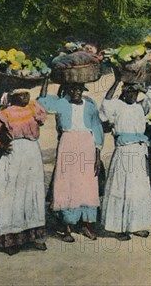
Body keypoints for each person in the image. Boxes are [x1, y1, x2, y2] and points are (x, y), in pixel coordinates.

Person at [0, 88, 48, 255]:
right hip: (13, 153)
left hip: (32, 153)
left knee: (31, 194)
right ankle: (9, 240)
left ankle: (33, 236)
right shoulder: (4, 113)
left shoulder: (33, 108)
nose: (25, 97)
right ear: (13, 97)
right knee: (11, 194)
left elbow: (42, 117)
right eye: (21, 94)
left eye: (27, 94)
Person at [38, 81, 103, 242]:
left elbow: (97, 128)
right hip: (68, 144)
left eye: (79, 89)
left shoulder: (90, 105)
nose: (76, 92)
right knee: (66, 183)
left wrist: (98, 155)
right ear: (67, 90)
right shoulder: (61, 103)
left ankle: (85, 224)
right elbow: (42, 101)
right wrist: (45, 80)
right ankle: (66, 227)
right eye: (73, 89)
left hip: (87, 145)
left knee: (87, 184)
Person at [99, 71, 151, 241]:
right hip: (123, 153)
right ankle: (119, 227)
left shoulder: (139, 107)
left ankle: (136, 225)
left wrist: (143, 83)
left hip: (139, 152)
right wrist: (116, 81)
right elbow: (106, 103)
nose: (132, 95)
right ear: (123, 91)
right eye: (129, 91)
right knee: (122, 187)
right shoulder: (117, 106)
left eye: (135, 92)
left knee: (138, 189)